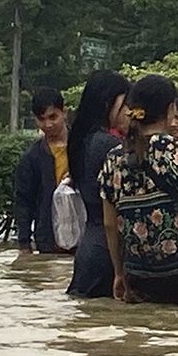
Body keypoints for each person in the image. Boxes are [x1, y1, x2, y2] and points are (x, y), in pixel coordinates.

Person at [100, 74, 178, 305]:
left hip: (137, 276)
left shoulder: (113, 159)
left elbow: (110, 224)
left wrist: (119, 273)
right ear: (170, 109)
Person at [66, 71, 130, 298]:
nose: (129, 112)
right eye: (124, 104)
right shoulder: (108, 145)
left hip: (90, 247)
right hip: (107, 250)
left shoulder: (84, 139)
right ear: (107, 104)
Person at [13, 88, 71, 254]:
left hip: (83, 236)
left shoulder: (84, 147)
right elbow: (24, 202)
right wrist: (24, 244)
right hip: (48, 239)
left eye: (53, 117)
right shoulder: (32, 157)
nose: (48, 125)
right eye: (41, 119)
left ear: (64, 113)